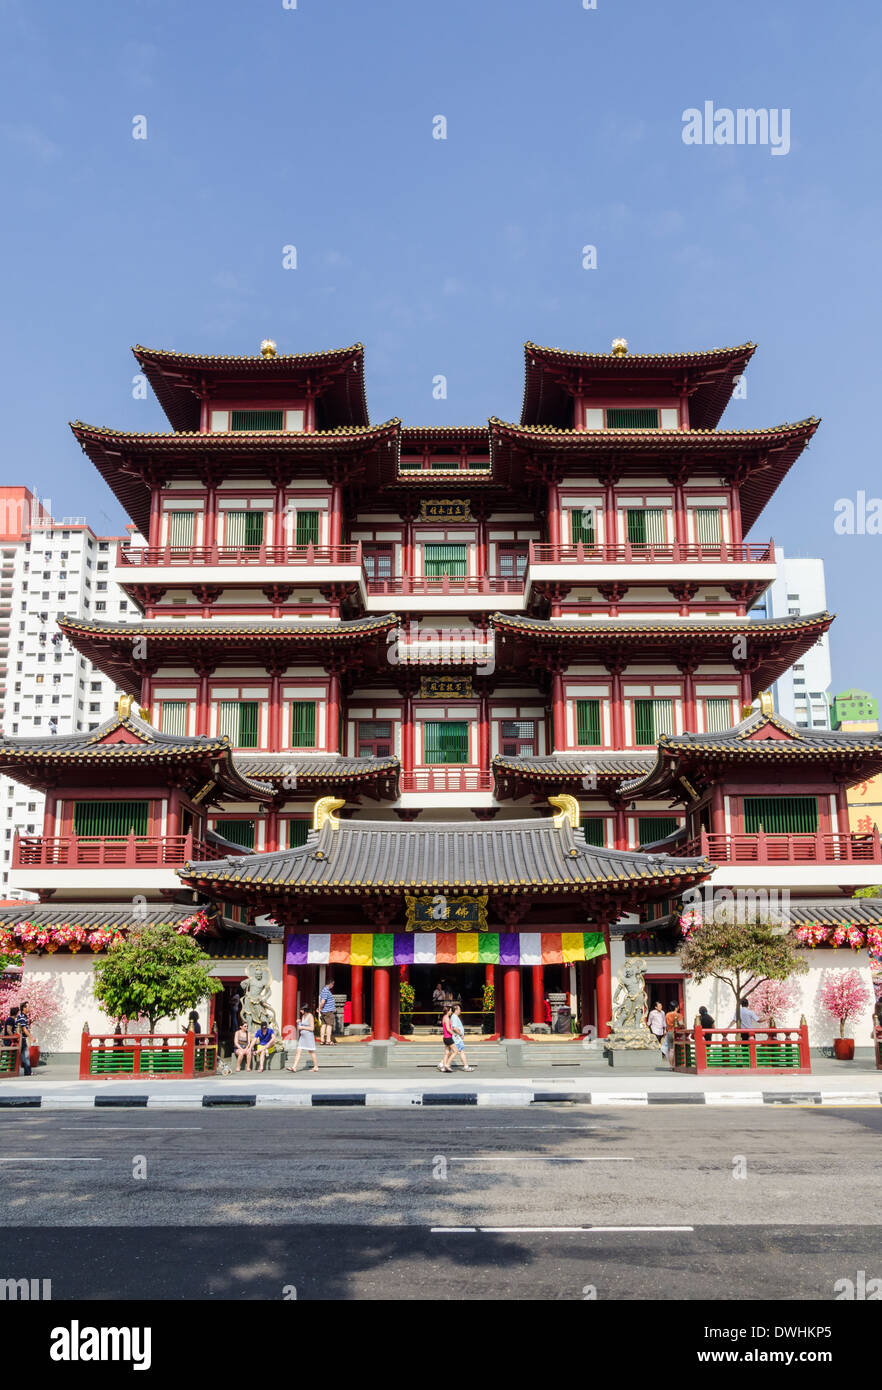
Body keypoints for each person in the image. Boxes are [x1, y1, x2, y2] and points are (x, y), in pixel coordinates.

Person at [287, 1006, 318, 1073]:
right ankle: (294, 1067)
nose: (300, 1011)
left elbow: (312, 1028)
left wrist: (302, 1027)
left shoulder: (310, 1016)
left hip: (309, 1037)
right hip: (303, 1037)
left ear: (305, 1009)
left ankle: (316, 1066)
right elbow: (300, 1027)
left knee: (311, 1052)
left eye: (301, 1010)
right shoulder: (303, 1016)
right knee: (298, 1051)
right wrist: (299, 1022)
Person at [448, 1004, 473, 1072]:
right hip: (457, 1038)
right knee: (461, 1051)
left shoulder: (454, 1017)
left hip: (455, 1038)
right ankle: (466, 1066)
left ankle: (442, 1064)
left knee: (451, 1052)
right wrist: (461, 1034)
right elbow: (454, 1028)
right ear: (456, 1010)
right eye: (459, 1009)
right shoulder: (455, 1017)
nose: (460, 1011)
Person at [662, 1000, 682, 1070]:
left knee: (671, 1050)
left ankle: (671, 1066)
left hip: (669, 1032)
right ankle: (678, 1064)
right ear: (676, 1007)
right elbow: (681, 1024)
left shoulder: (667, 1014)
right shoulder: (678, 1015)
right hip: (677, 1033)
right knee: (678, 1049)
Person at [318, 978, 336, 1046]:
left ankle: (322, 1040)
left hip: (324, 1011)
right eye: (333, 984)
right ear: (330, 983)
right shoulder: (326, 991)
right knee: (329, 1025)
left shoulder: (324, 990)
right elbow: (323, 1001)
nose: (333, 986)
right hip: (328, 1011)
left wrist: (319, 1008)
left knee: (323, 1025)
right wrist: (320, 1008)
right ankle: (328, 1040)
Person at [16, 1002, 32, 1077]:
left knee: (24, 1055)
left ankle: (28, 1071)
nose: (29, 1008)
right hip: (21, 1039)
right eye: (28, 1007)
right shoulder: (22, 1016)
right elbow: (24, 1029)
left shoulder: (24, 1016)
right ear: (24, 1008)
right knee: (25, 1055)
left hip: (22, 1039)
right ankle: (28, 1072)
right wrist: (31, 1037)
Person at [437, 1005, 454, 1072]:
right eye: (450, 1010)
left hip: (445, 1037)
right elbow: (448, 1029)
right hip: (448, 1037)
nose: (451, 1011)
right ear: (447, 1011)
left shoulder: (444, 1017)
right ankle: (447, 1065)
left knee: (447, 1053)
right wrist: (455, 1034)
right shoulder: (446, 1018)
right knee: (455, 1051)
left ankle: (444, 1067)